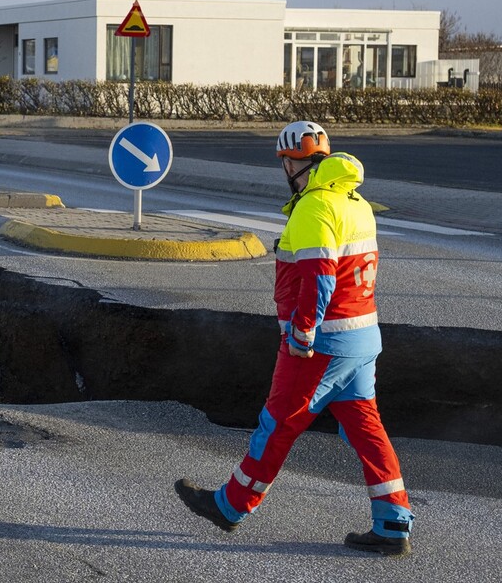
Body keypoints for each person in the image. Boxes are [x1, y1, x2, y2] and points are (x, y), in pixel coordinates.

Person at [175, 120, 415, 556]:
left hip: (322, 343)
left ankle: (231, 505)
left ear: (292, 163)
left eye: (284, 161)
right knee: (367, 430)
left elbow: (320, 278)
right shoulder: (355, 201)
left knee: (278, 424)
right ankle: (393, 521)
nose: (284, 169)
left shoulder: (314, 206)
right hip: (362, 338)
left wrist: (302, 334)